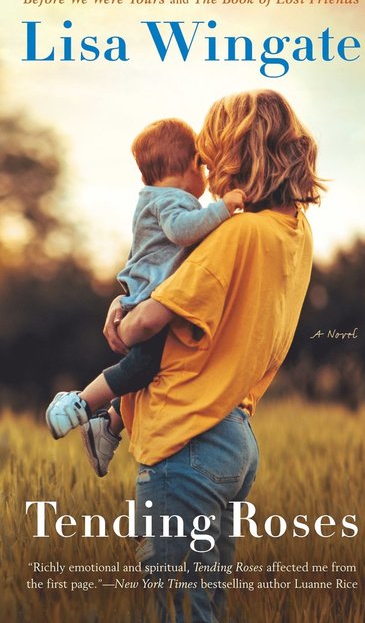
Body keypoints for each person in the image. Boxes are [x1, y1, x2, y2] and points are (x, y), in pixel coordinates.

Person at [102, 89, 325, 623]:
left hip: (186, 436)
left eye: (209, 151)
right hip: (234, 437)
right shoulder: (293, 231)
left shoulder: (236, 232)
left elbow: (147, 321)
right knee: (205, 603)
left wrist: (120, 318)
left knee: (176, 607)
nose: (204, 163)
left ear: (233, 152)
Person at [45, 118, 244, 477]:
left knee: (155, 370)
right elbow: (183, 232)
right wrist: (224, 208)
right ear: (188, 167)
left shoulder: (155, 197)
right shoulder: (172, 200)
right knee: (141, 367)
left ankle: (107, 426)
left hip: (144, 294)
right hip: (149, 299)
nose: (207, 176)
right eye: (203, 165)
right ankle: (79, 404)